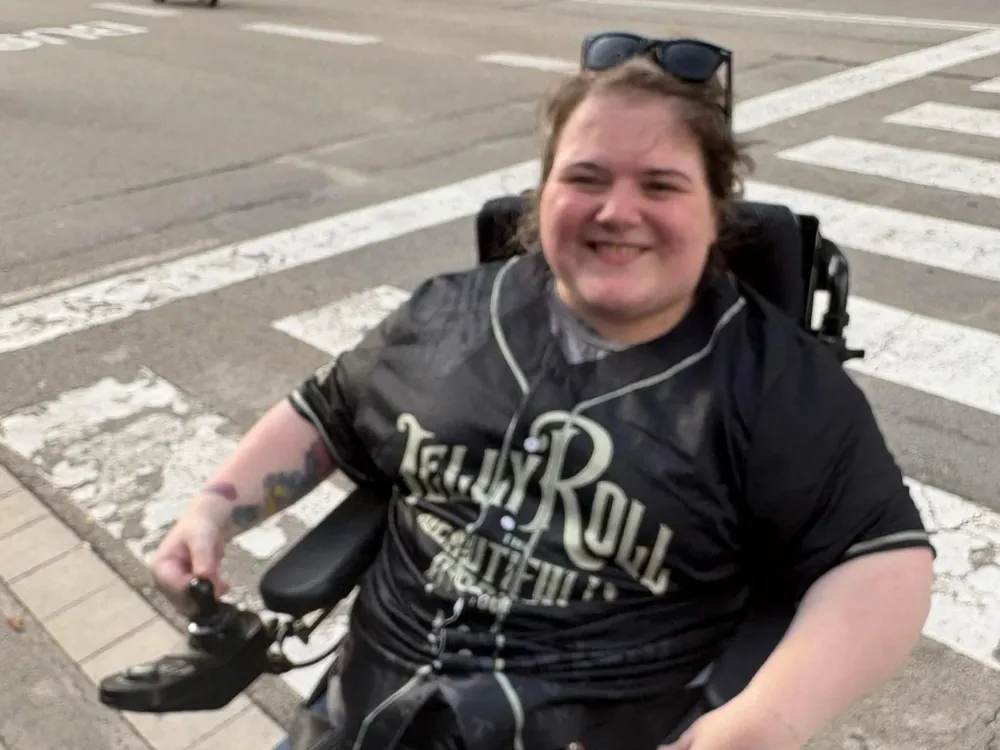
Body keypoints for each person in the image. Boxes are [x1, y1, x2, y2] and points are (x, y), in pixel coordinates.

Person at [150, 32, 936, 750]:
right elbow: (325, 415)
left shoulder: (773, 379)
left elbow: (882, 562)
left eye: (660, 185)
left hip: (603, 724)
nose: (616, 211)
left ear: (715, 209)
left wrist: (763, 720)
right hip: (364, 713)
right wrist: (214, 511)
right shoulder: (447, 314)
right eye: (585, 178)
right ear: (544, 194)